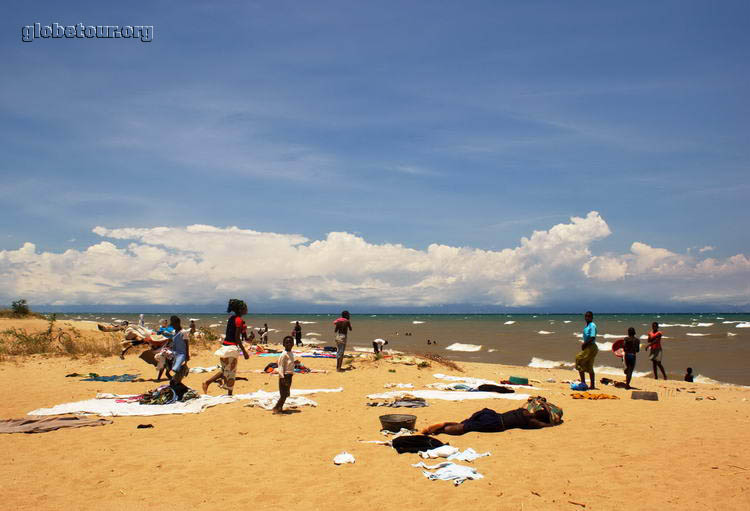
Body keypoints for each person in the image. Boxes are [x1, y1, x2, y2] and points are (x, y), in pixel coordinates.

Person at [203, 299, 249, 396]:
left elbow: (230, 333)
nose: (247, 309)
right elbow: (237, 338)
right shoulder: (239, 320)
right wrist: (244, 352)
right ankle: (229, 394)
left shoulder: (232, 318)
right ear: (241, 309)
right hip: (231, 349)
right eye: (245, 307)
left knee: (224, 371)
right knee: (231, 372)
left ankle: (207, 382)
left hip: (224, 347)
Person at [421, 407, 555, 436]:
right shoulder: (531, 421)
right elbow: (545, 425)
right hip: (496, 424)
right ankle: (442, 428)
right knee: (465, 428)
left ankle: (442, 426)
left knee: (467, 422)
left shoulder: (523, 410)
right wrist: (552, 423)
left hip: (490, 413)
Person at [575, 311, 598, 389]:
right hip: (589, 347)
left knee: (578, 360)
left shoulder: (592, 325)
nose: (587, 318)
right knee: (589, 365)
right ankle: (592, 385)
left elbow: (592, 337)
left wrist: (585, 344)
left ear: (592, 317)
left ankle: (583, 383)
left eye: (589, 316)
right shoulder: (587, 326)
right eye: (586, 316)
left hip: (591, 347)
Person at [273, 336, 295, 414]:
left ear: (293, 344)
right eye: (287, 342)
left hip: (289, 376)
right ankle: (277, 408)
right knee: (283, 394)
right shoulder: (284, 354)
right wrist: (282, 377)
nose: (288, 344)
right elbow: (281, 366)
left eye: (290, 342)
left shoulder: (291, 353)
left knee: (286, 393)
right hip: (284, 376)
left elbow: (289, 363)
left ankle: (279, 407)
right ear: (283, 344)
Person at [168, 315, 189, 384]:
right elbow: (173, 342)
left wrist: (187, 354)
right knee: (174, 369)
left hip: (182, 354)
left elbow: (187, 344)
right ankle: (178, 381)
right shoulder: (174, 332)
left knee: (176, 368)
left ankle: (177, 380)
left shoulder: (183, 332)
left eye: (173, 324)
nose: (173, 326)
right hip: (175, 353)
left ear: (177, 323)